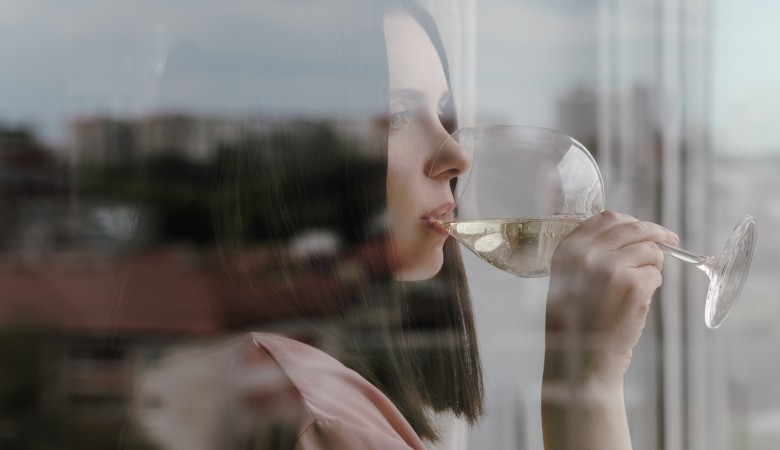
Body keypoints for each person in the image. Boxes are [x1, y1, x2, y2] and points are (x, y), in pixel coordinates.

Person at [125, 1, 678, 449]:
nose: (456, 155)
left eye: (442, 113)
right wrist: (589, 380)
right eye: (394, 115)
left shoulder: (244, 375)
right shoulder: (310, 407)